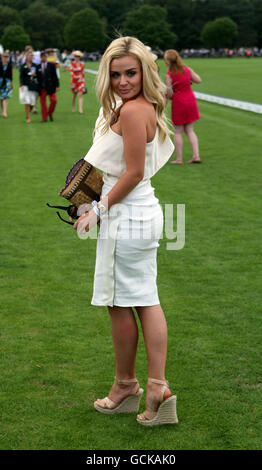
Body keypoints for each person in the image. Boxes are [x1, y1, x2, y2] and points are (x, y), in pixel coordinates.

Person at [73, 36, 178, 426]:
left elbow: (132, 171)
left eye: (130, 73)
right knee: (145, 298)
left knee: (123, 302)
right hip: (141, 211)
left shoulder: (133, 112)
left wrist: (97, 210)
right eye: (115, 74)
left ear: (144, 72)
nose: (122, 81)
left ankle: (131, 386)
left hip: (127, 215)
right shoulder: (142, 106)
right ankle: (149, 386)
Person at [164, 49, 202, 164]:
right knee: (190, 130)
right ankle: (196, 155)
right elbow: (198, 80)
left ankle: (179, 158)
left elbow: (170, 94)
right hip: (190, 99)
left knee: (178, 131)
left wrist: (169, 92)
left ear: (169, 61)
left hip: (179, 101)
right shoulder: (187, 69)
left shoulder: (169, 75)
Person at [19, 49, 40, 123]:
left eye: (32, 56)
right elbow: (21, 76)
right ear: (27, 56)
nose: (31, 57)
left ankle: (28, 112)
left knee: (32, 102)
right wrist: (21, 85)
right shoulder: (23, 66)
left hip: (33, 85)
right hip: (26, 85)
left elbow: (38, 75)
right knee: (27, 102)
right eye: (30, 56)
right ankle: (28, 117)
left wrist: (36, 75)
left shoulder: (35, 65)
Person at [38, 51, 59, 122]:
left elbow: (55, 76)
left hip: (50, 86)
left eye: (45, 56)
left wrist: (57, 85)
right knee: (43, 103)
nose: (44, 57)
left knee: (54, 100)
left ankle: (49, 113)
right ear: (40, 57)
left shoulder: (51, 65)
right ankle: (44, 118)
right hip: (42, 87)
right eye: (42, 56)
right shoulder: (38, 66)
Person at [0, 51, 13, 118]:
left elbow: (11, 75)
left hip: (7, 82)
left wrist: (11, 83)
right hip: (0, 82)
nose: (6, 58)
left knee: (5, 97)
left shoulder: (10, 65)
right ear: (1, 57)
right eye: (4, 56)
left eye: (7, 57)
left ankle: (5, 112)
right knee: (1, 98)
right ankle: (3, 111)